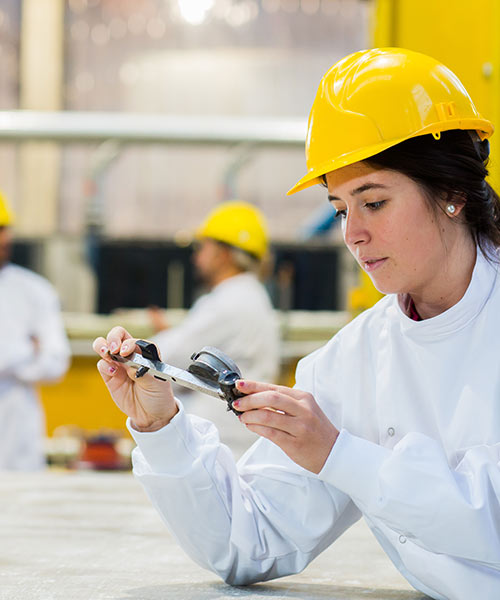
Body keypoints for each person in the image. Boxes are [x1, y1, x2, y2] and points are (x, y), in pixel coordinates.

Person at [93, 48, 500, 600]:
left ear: (452, 192)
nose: (351, 233)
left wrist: (340, 454)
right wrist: (163, 430)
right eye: (339, 208)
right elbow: (248, 542)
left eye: (373, 202)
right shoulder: (355, 359)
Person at [148, 200, 280, 387]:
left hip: (218, 416)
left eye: (202, 247)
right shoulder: (248, 295)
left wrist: (132, 348)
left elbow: (166, 358)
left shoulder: (230, 302)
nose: (196, 258)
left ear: (223, 253)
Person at [0, 192, 70, 470]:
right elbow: (36, 356)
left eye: (5, 229)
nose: (4, 239)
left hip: (17, 434)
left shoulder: (34, 290)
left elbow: (55, 363)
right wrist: (28, 349)